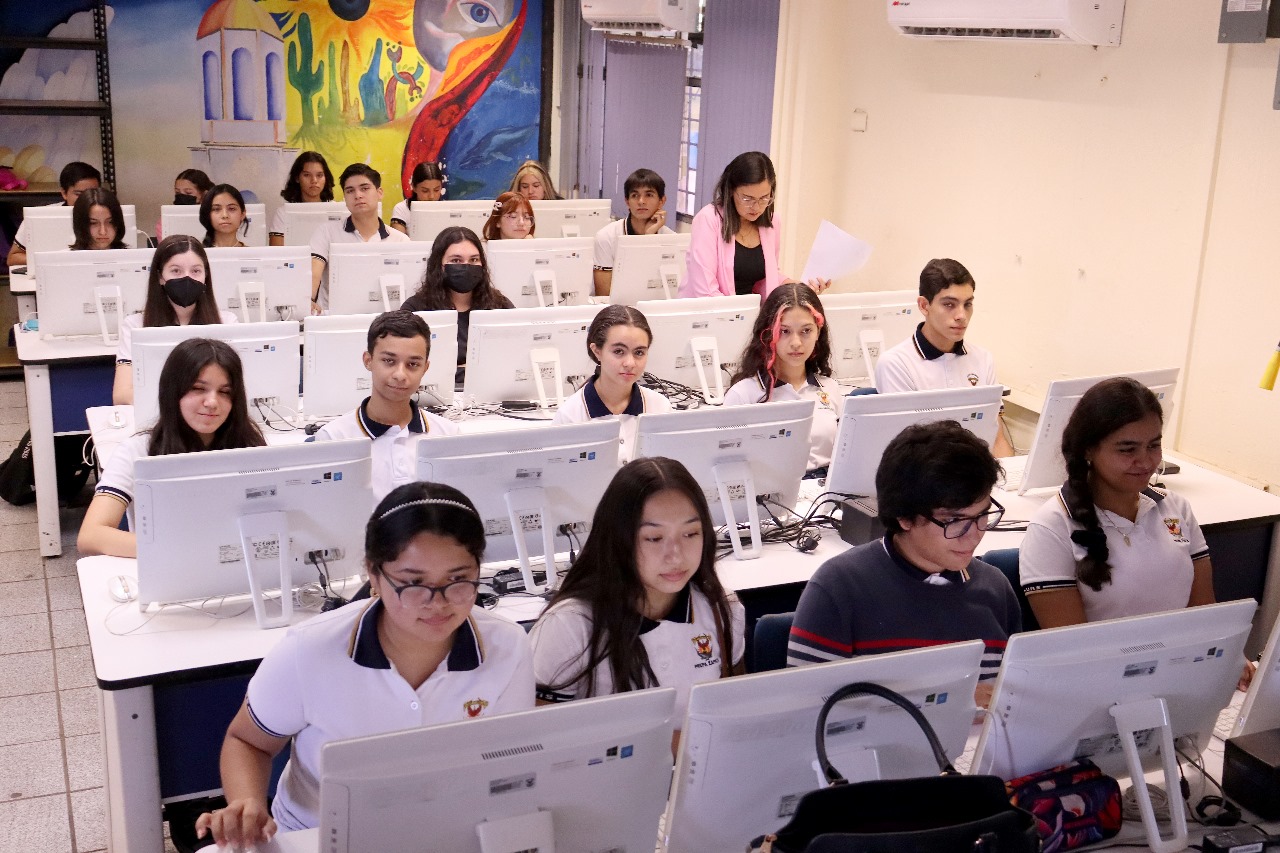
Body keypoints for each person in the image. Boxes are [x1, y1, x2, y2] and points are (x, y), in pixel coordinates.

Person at [194, 482, 536, 846]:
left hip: (448, 831)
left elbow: (510, 761)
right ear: (374, 574)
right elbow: (248, 741)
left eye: (458, 580)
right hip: (319, 836)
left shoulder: (507, 646)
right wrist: (246, 802)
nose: (438, 603)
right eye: (412, 583)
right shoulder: (310, 651)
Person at [787, 420, 1020, 707]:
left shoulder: (995, 590)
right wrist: (947, 699)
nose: (974, 535)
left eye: (983, 515)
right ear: (904, 517)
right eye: (954, 521)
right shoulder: (838, 589)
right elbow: (806, 714)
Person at [530, 456, 744, 724]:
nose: (676, 555)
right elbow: (542, 741)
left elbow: (729, 718)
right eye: (654, 538)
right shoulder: (570, 625)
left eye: (690, 534)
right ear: (619, 539)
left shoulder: (722, 608)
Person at [78, 338, 265, 557]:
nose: (212, 402)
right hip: (170, 568)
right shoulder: (138, 451)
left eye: (225, 392)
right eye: (198, 388)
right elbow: (90, 536)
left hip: (237, 566)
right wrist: (177, 550)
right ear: (173, 392)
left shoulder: (249, 446)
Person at [313, 310, 459, 503]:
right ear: (368, 361)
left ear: (425, 368)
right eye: (389, 361)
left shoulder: (448, 434)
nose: (400, 374)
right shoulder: (333, 438)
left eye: (413, 364)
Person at [874, 258, 1013, 456]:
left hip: (976, 474)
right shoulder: (896, 363)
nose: (961, 315)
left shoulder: (983, 359)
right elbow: (908, 453)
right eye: (949, 304)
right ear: (924, 306)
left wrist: (1010, 483)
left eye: (968, 304)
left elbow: (997, 439)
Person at [723, 283, 843, 477]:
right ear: (768, 333)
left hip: (826, 495)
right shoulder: (743, 394)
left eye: (806, 331)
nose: (796, 343)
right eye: (784, 331)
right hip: (771, 499)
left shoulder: (830, 388)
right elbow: (728, 466)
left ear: (818, 333)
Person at [679, 151, 828, 298]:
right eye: (747, 198)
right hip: (708, 314)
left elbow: (765, 280)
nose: (756, 207)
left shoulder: (772, 221)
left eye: (764, 198)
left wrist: (797, 287)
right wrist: (737, 316)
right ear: (730, 190)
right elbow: (705, 289)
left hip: (748, 313)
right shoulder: (708, 219)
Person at [113, 235, 237, 405]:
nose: (187, 278)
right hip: (158, 421)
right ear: (160, 277)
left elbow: (236, 389)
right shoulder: (135, 325)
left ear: (205, 276)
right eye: (176, 271)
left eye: (196, 271)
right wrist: (185, 404)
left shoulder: (227, 323)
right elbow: (122, 395)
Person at [553, 305, 672, 463]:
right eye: (618, 351)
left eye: (639, 353)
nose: (630, 363)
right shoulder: (570, 416)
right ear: (597, 351)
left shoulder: (660, 408)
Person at [400, 226, 515, 386]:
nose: (466, 266)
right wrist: (472, 369)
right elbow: (407, 365)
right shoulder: (416, 309)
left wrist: (456, 369)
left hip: (491, 392)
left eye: (474, 260)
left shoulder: (500, 305)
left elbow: (514, 359)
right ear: (439, 265)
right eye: (456, 260)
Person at [310, 163, 410, 313]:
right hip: (334, 320)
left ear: (379, 193)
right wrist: (308, 301)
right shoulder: (326, 232)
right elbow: (313, 274)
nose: (358, 195)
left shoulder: (400, 241)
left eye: (364, 188)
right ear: (344, 197)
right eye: (350, 191)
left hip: (386, 323)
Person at [592, 168, 674, 297]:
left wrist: (649, 237)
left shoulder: (672, 240)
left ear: (662, 201)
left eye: (649, 195)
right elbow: (603, 294)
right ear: (627, 201)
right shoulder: (606, 237)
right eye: (635, 195)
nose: (641, 201)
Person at [7, 161, 101, 267]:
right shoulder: (39, 217)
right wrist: (53, 259)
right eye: (79, 194)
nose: (87, 199)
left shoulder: (109, 216)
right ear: (64, 193)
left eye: (93, 193)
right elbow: (13, 258)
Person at [269, 151, 335, 246]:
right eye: (307, 175)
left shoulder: (336, 210)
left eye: (319, 175)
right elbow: (276, 254)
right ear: (297, 178)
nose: (314, 181)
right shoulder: (283, 213)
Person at [156, 169, 214, 241]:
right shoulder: (167, 217)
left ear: (204, 194)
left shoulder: (214, 215)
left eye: (188, 193)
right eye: (178, 193)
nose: (182, 196)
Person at [390, 161, 445, 234]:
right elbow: (398, 242)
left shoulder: (447, 209)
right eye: (425, 191)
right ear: (414, 187)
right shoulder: (402, 209)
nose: (431, 196)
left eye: (436, 190)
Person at [199, 183, 249, 248]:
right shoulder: (197, 255)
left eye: (232, 209)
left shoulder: (253, 255)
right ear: (207, 214)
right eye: (216, 209)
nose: (225, 215)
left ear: (243, 214)